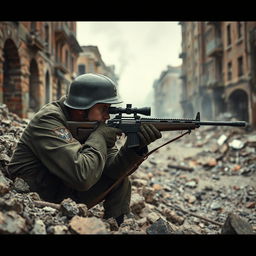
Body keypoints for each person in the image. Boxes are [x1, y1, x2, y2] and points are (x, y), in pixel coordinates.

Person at [8, 73, 162, 226]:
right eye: (103, 109)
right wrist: (100, 137)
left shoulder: (90, 125)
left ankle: (117, 226)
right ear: (81, 109)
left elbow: (113, 170)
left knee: (120, 180)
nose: (107, 115)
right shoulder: (48, 119)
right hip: (34, 199)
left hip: (60, 190)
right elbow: (81, 176)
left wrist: (134, 148)